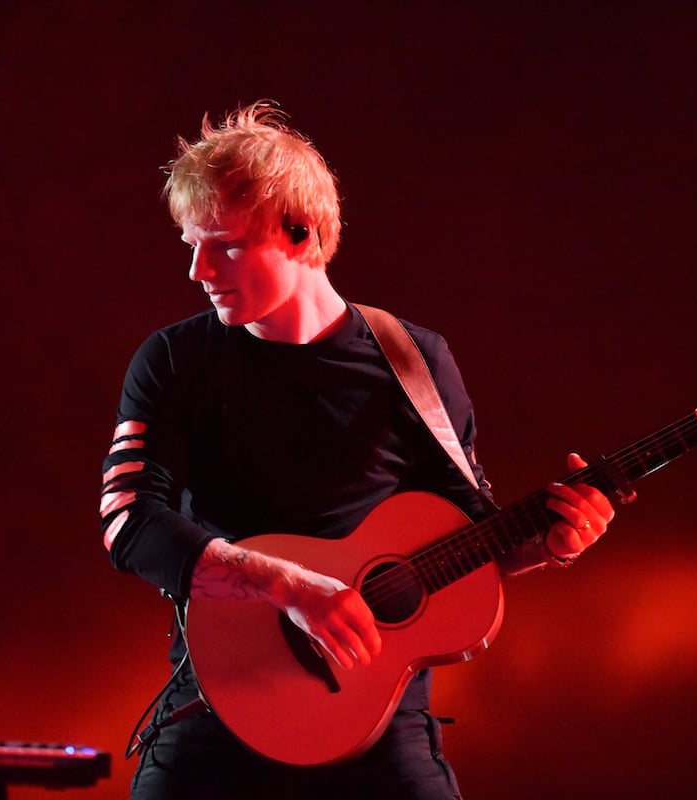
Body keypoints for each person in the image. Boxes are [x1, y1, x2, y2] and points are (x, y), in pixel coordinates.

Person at [100, 101, 615, 800]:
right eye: (191, 244)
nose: (197, 269)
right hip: (219, 711)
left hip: (378, 724)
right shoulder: (172, 360)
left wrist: (552, 544)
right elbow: (130, 523)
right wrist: (289, 586)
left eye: (222, 244)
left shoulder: (414, 360)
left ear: (300, 233)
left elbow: (473, 537)